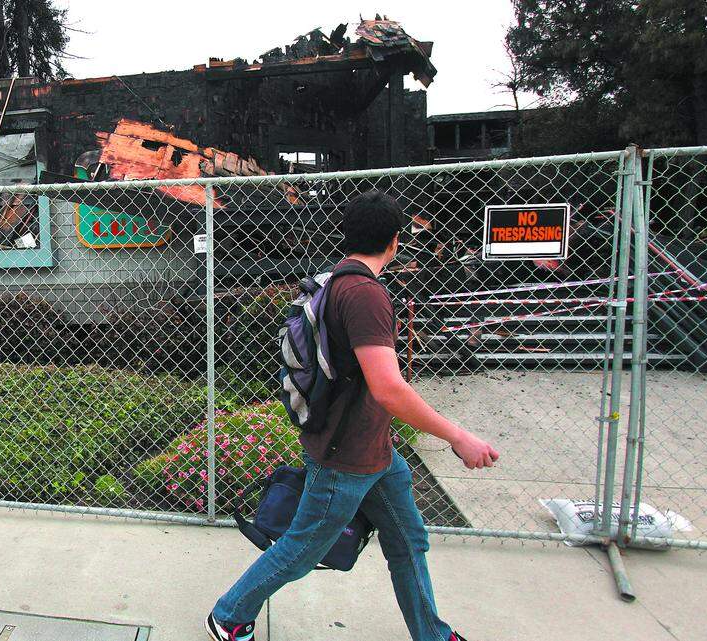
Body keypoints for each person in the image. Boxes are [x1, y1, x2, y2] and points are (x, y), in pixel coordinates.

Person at [206, 191, 500, 641]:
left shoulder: (336, 281)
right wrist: (456, 435)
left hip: (375, 451)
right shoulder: (365, 295)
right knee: (302, 549)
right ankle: (228, 616)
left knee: (408, 542)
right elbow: (388, 389)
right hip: (346, 456)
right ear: (395, 241)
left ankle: (434, 635)